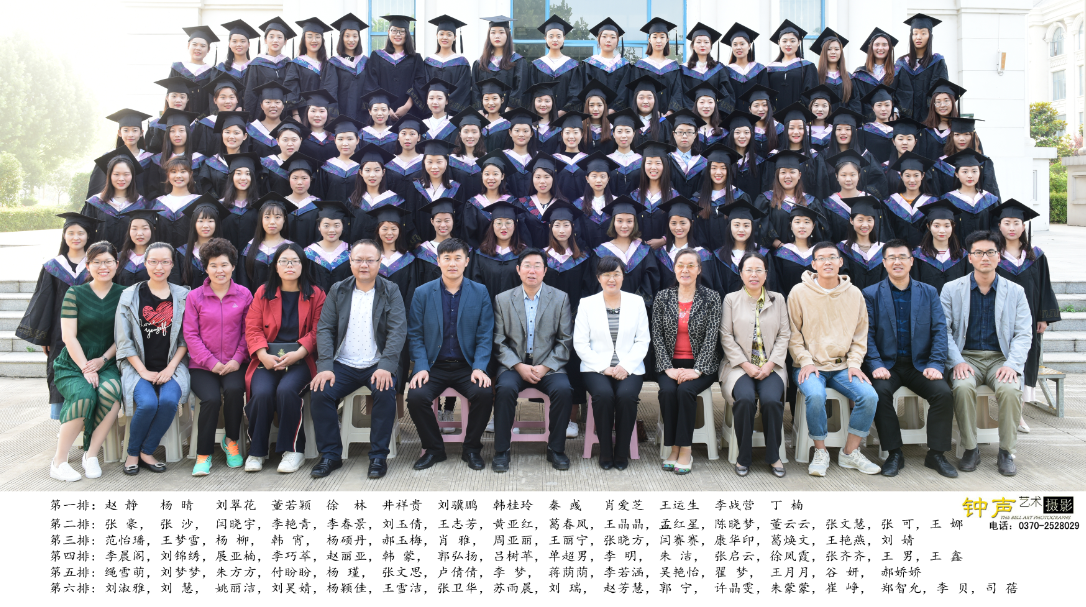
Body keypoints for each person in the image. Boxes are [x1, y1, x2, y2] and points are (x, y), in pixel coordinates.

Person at [304, 239, 407, 479]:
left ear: (379, 262)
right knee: (320, 392)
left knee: (385, 390)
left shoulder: (390, 290)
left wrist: (386, 366)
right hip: (343, 364)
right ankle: (330, 455)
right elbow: (325, 328)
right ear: (350, 262)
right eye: (358, 260)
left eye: (370, 260)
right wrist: (325, 366)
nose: (364, 265)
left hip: (377, 364)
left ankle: (378, 456)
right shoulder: (338, 289)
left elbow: (397, 330)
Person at [862, 239, 958, 478]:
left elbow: (939, 330)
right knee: (878, 393)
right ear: (884, 263)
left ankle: (936, 454)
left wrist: (936, 364)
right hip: (888, 365)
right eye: (891, 258)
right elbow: (866, 334)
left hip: (921, 365)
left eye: (902, 257)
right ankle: (894, 453)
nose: (897, 262)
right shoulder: (870, 294)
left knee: (943, 393)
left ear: (911, 261)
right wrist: (876, 364)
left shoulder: (928, 292)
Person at [942, 230, 1033, 476]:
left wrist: (1012, 364)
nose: (985, 257)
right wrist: (956, 361)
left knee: (1010, 390)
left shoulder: (1015, 291)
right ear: (969, 257)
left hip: (1001, 359)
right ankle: (971, 448)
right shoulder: (951, 289)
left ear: (999, 256)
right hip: (966, 357)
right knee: (962, 387)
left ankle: (1006, 451)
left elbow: (1024, 334)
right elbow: (943, 331)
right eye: (979, 252)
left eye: (991, 252)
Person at [788, 240, 881, 477]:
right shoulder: (799, 292)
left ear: (841, 262)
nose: (827, 262)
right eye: (821, 258)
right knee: (816, 395)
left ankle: (849, 452)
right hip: (809, 365)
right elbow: (793, 334)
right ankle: (820, 451)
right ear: (813, 264)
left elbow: (860, 335)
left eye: (832, 257)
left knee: (869, 396)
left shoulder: (854, 294)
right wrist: (805, 361)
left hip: (842, 367)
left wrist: (855, 364)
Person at [405, 238, 495, 471]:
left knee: (484, 393)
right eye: (447, 258)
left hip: (467, 366)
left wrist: (479, 367)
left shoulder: (480, 292)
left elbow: (485, 334)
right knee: (416, 397)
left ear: (467, 261)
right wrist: (421, 366)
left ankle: (471, 448)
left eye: (457, 258)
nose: (452, 263)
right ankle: (434, 449)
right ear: (438, 261)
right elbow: (415, 334)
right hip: (434, 366)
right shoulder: (423, 293)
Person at [242, 242, 325, 473]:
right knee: (261, 393)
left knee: (287, 390)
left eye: (295, 261)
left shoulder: (316, 294)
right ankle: (257, 451)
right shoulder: (263, 292)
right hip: (267, 359)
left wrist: (299, 352)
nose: (290, 266)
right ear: (276, 267)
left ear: (303, 265)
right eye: (284, 261)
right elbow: (252, 328)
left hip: (301, 359)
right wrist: (262, 355)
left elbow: (319, 330)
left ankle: (294, 450)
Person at [491, 248, 575, 472]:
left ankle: (556, 449)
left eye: (537, 266)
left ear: (545, 271)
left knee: (564, 390)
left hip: (548, 365)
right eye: (527, 266)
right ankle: (501, 450)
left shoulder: (560, 298)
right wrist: (519, 366)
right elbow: (498, 341)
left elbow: (565, 340)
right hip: (514, 365)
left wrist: (545, 366)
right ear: (518, 270)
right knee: (504, 389)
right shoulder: (503, 299)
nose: (532, 271)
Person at [48, 242, 125, 482]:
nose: (103, 267)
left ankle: (90, 455)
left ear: (116, 264)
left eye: (108, 261)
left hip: (107, 361)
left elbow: (124, 336)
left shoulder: (125, 294)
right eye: (97, 262)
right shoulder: (75, 293)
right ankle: (58, 462)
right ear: (88, 266)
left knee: (111, 391)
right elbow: (68, 336)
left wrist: (102, 360)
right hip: (73, 363)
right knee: (84, 396)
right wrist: (85, 367)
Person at [114, 242, 190, 475]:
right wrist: (143, 372)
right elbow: (124, 341)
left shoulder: (183, 296)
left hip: (172, 366)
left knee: (168, 401)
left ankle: (147, 451)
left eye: (165, 262)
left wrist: (170, 368)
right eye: (153, 261)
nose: (159, 267)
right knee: (147, 403)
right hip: (137, 366)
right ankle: (132, 453)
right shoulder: (129, 296)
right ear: (145, 264)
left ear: (172, 265)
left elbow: (185, 340)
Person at [574, 256, 651, 470]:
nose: (612, 279)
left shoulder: (636, 302)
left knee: (626, 396)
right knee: (603, 396)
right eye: (606, 274)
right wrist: (604, 368)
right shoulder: (587, 304)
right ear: (598, 277)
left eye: (616, 274)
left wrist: (625, 366)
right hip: (595, 368)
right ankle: (606, 451)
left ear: (623, 276)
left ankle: (622, 451)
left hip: (630, 367)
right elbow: (580, 343)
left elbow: (642, 340)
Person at [184, 238, 253, 476]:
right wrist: (211, 362)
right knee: (211, 399)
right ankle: (203, 454)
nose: (219, 270)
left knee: (234, 391)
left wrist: (237, 359)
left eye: (224, 264)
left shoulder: (244, 295)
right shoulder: (195, 297)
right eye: (213, 265)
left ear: (233, 266)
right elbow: (191, 335)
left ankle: (231, 441)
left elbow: (249, 332)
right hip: (202, 366)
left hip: (236, 363)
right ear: (205, 268)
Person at [18, 214, 96, 421]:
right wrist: (45, 336)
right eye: (71, 233)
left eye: (81, 233)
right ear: (64, 235)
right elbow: (44, 302)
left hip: (92, 329)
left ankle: (88, 420)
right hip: (60, 332)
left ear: (88, 236)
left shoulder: (97, 264)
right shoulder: (53, 267)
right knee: (61, 370)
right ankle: (66, 422)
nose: (76, 237)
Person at [653, 248, 722, 475]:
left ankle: (685, 450)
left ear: (699, 270)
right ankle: (673, 447)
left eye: (691, 265)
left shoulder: (711, 298)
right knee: (667, 392)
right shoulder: (662, 297)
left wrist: (698, 370)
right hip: (670, 364)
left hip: (702, 365)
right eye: (681, 265)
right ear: (674, 268)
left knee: (685, 391)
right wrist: (668, 368)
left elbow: (712, 337)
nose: (685, 270)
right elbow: (657, 336)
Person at [720, 251, 789, 477]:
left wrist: (770, 364)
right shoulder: (731, 299)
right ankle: (744, 456)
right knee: (745, 399)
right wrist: (746, 365)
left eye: (759, 270)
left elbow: (784, 335)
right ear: (740, 274)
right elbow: (726, 336)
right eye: (748, 270)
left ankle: (774, 456)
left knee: (771, 401)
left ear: (766, 274)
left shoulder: (778, 299)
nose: (754, 274)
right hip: (739, 367)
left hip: (771, 366)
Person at [995, 200, 1061, 428]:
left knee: (1026, 359)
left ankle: (1018, 413)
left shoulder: (1036, 256)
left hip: (1029, 318)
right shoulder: (993, 255)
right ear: (999, 225)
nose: (1012, 227)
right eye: (1007, 223)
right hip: (998, 317)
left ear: (1024, 226)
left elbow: (1044, 286)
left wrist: (1043, 316)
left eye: (1016, 223)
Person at [594, 197, 660, 310]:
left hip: (638, 308)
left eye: (629, 221)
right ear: (613, 222)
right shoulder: (601, 251)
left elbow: (651, 281)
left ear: (634, 223)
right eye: (619, 221)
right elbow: (595, 284)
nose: (624, 226)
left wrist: (635, 304)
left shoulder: (643, 250)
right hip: (609, 309)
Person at [81, 152, 148, 250]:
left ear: (132, 176)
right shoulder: (95, 203)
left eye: (126, 174)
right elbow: (86, 234)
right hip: (102, 257)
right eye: (116, 174)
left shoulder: (142, 204)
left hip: (131, 258)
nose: (121, 178)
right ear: (109, 176)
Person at [469, 201, 528, 310]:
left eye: (508, 223)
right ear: (492, 226)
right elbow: (476, 286)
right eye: (499, 223)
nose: (503, 227)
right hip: (487, 311)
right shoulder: (481, 254)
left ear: (515, 226)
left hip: (517, 312)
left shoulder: (525, 255)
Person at [362, 15, 420, 121]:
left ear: (407, 34)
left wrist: (407, 106)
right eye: (394, 30)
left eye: (402, 31)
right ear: (388, 32)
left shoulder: (415, 58)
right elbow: (371, 84)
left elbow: (420, 84)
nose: (398, 34)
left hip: (409, 113)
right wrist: (386, 108)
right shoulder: (377, 56)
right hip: (382, 114)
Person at [655, 197, 720, 291]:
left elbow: (708, 287)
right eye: (673, 223)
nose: (678, 228)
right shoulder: (660, 254)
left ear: (691, 223)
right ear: (668, 224)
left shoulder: (702, 255)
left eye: (683, 223)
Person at [524, 15, 582, 117]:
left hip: (565, 118)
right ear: (545, 38)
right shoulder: (536, 65)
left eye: (558, 36)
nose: (555, 39)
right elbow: (532, 92)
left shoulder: (573, 65)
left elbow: (575, 92)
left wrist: (562, 112)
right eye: (551, 36)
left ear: (564, 38)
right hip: (541, 117)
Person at [712, 199, 773, 295]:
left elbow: (770, 285)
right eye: (736, 225)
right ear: (729, 227)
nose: (741, 230)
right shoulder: (719, 256)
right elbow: (717, 288)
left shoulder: (763, 254)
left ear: (752, 228)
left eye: (746, 225)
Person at [239, 193, 297, 293]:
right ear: (261, 219)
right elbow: (243, 280)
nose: (272, 222)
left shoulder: (291, 248)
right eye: (267, 217)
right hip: (254, 300)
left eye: (277, 217)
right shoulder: (249, 248)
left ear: (284, 219)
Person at [895, 14, 948, 122]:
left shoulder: (937, 61)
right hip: (904, 120)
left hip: (929, 119)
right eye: (915, 33)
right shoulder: (901, 63)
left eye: (923, 33)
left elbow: (940, 91)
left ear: (929, 36)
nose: (918, 37)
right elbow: (894, 90)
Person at [911, 199, 970, 293]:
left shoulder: (962, 255)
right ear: (928, 226)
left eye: (947, 226)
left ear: (953, 226)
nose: (942, 231)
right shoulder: (918, 255)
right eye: (936, 226)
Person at [241, 18, 295, 119]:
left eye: (279, 37)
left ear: (285, 41)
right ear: (265, 40)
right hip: (261, 114)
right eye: (271, 36)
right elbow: (250, 94)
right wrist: (250, 118)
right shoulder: (256, 64)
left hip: (285, 113)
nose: (275, 40)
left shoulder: (289, 64)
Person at [347, 143, 401, 244]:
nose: (372, 175)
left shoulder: (394, 201)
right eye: (367, 170)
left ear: (383, 172)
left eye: (377, 170)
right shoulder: (353, 200)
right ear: (361, 172)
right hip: (358, 251)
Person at [321, 13, 369, 122]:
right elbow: (330, 92)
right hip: (341, 117)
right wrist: (333, 119)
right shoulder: (334, 63)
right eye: (347, 36)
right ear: (341, 37)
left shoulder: (366, 62)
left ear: (359, 38)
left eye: (355, 36)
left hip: (363, 117)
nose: (351, 40)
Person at [472, 16, 526, 111]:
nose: (497, 36)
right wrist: (479, 109)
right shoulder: (480, 63)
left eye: (501, 32)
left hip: (510, 114)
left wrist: (511, 107)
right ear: (489, 35)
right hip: (485, 114)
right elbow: (475, 89)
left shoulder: (517, 61)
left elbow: (520, 87)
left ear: (507, 34)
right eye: (493, 32)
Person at [883, 151, 936, 247]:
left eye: (916, 175)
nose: (912, 180)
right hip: (898, 252)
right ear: (901, 176)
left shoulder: (932, 203)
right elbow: (888, 233)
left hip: (924, 253)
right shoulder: (891, 203)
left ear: (923, 175)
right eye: (907, 175)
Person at [851, 27, 905, 120]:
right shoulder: (860, 74)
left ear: (890, 48)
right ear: (871, 47)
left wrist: (896, 112)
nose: (880, 48)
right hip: (868, 122)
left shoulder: (898, 71)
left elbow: (905, 94)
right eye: (877, 44)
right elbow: (857, 99)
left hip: (892, 121)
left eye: (884, 44)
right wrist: (871, 117)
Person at [836, 196, 889, 291]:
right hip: (851, 297)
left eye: (869, 220)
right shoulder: (843, 249)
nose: (865, 225)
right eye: (860, 220)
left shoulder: (883, 250)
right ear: (851, 221)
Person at [682, 23, 734, 117]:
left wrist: (714, 111)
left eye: (706, 42)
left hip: (715, 116)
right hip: (691, 117)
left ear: (711, 45)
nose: (702, 45)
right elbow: (682, 94)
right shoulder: (684, 69)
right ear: (693, 45)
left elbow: (726, 93)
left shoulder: (719, 69)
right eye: (698, 42)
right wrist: (694, 112)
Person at [582, 18, 633, 114]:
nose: (608, 40)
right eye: (604, 36)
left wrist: (613, 110)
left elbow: (625, 91)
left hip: (617, 116)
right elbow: (585, 89)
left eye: (613, 37)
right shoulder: (589, 64)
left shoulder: (624, 65)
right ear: (598, 39)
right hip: (594, 114)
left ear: (617, 41)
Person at [195, 111, 250, 198]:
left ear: (244, 136)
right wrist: (218, 202)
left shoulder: (251, 162)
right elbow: (205, 186)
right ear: (222, 134)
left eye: (236, 133)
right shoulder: (211, 163)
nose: (231, 136)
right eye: (227, 132)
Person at [766, 20, 817, 109]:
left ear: (799, 42)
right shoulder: (770, 68)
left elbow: (811, 92)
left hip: (798, 114)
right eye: (784, 41)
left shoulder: (808, 66)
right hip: (774, 114)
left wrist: (798, 110)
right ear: (779, 43)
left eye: (792, 41)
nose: (788, 44)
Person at [284, 19, 332, 114]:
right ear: (304, 39)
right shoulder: (296, 64)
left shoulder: (328, 64)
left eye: (317, 36)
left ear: (322, 40)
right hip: (303, 113)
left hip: (324, 115)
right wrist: (295, 114)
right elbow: (291, 91)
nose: (314, 40)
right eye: (309, 36)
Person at [219, 152, 263, 254]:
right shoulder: (220, 206)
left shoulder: (260, 206)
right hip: (226, 258)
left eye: (248, 174)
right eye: (238, 173)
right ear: (231, 176)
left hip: (252, 258)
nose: (243, 178)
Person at [304, 201, 353, 292]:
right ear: (319, 227)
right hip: (317, 300)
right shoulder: (309, 253)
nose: (331, 230)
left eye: (336, 225)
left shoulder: (351, 252)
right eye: (326, 225)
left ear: (343, 227)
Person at [171, 26, 219, 116]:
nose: (198, 48)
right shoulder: (177, 68)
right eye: (194, 44)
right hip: (180, 118)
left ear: (208, 49)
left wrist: (203, 118)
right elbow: (171, 94)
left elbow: (213, 99)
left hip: (204, 119)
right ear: (188, 46)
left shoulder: (212, 71)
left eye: (203, 46)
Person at [810, 28, 856, 114]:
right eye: (829, 49)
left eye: (837, 49)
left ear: (841, 52)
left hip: (845, 121)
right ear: (823, 52)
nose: (833, 52)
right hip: (824, 121)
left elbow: (855, 102)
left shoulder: (849, 77)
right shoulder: (816, 77)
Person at [115, 209, 160, 287]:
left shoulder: (160, 258)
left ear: (153, 230)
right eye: (134, 228)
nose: (139, 233)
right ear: (129, 231)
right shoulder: (120, 257)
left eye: (145, 228)